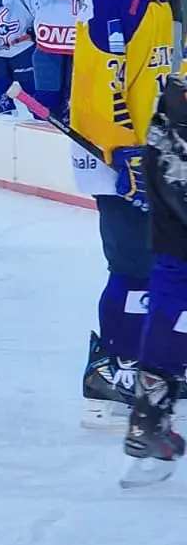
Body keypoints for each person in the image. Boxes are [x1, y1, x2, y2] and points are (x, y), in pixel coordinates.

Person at [68, 0, 181, 430]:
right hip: (114, 158)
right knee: (133, 266)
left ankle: (140, 361)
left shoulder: (153, 2)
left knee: (157, 266)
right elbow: (97, 89)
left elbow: (162, 78)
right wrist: (124, 152)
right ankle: (112, 367)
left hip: (150, 156)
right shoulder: (109, 2)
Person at [119, 73, 187, 486]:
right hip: (175, 142)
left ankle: (148, 419)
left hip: (169, 133)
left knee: (171, 281)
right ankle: (148, 420)